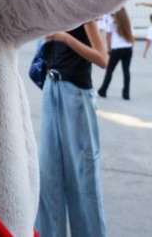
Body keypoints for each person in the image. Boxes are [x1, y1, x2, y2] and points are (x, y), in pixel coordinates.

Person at [34, 20, 109, 237]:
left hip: (76, 95)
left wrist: (65, 38)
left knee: (83, 175)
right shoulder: (55, 14)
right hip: (51, 89)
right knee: (48, 174)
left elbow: (102, 59)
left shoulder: (86, 15)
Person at [97, 7, 135, 100]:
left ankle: (103, 90)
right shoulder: (128, 23)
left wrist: (108, 49)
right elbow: (132, 36)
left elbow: (108, 37)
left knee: (110, 70)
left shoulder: (112, 23)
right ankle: (126, 94)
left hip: (116, 49)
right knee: (126, 71)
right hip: (128, 48)